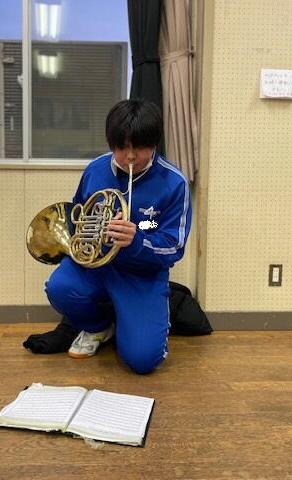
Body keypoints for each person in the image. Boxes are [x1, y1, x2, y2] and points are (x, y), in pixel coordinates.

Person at [44, 99, 192, 374]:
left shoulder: (174, 183)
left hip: (142, 274)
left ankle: (133, 323)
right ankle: (98, 327)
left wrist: (138, 237)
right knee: (58, 287)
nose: (131, 156)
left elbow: (174, 246)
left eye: (140, 147)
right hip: (95, 266)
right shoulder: (95, 170)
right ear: (111, 143)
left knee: (143, 361)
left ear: (155, 144)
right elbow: (78, 214)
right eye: (122, 147)